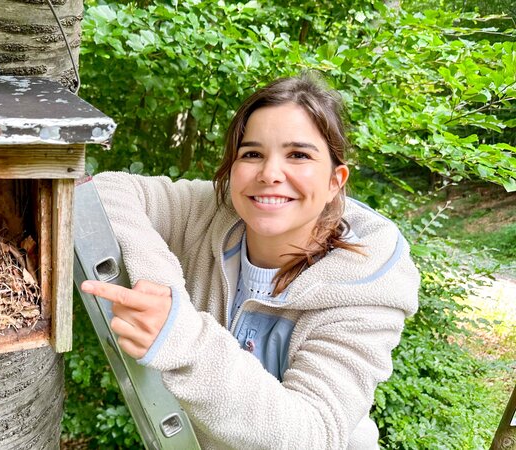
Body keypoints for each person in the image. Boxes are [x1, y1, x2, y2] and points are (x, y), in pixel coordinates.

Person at [80, 73, 420, 449]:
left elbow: (310, 434)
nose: (270, 174)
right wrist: (163, 289)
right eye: (252, 154)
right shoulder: (211, 213)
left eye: (299, 155)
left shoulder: (366, 289)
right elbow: (104, 191)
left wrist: (183, 336)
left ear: (334, 182)